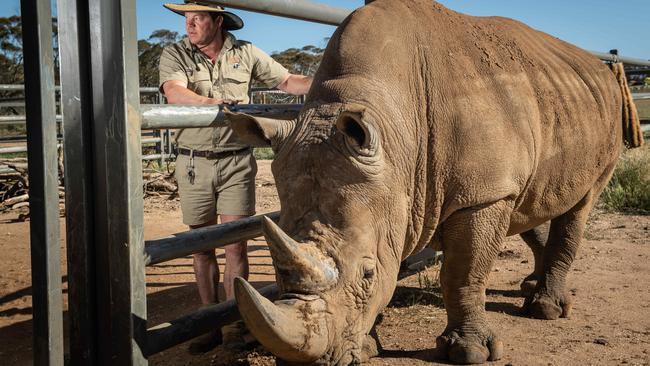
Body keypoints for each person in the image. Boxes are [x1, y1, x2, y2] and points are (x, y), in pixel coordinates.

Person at [158, 1, 312, 354]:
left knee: (235, 245)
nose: (190, 25)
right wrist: (211, 103)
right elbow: (174, 92)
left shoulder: (245, 53)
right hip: (194, 162)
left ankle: (233, 323)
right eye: (186, 18)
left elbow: (288, 81)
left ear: (218, 20)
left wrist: (326, 79)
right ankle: (208, 320)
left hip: (235, 161)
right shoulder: (176, 53)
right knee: (200, 247)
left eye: (197, 18)